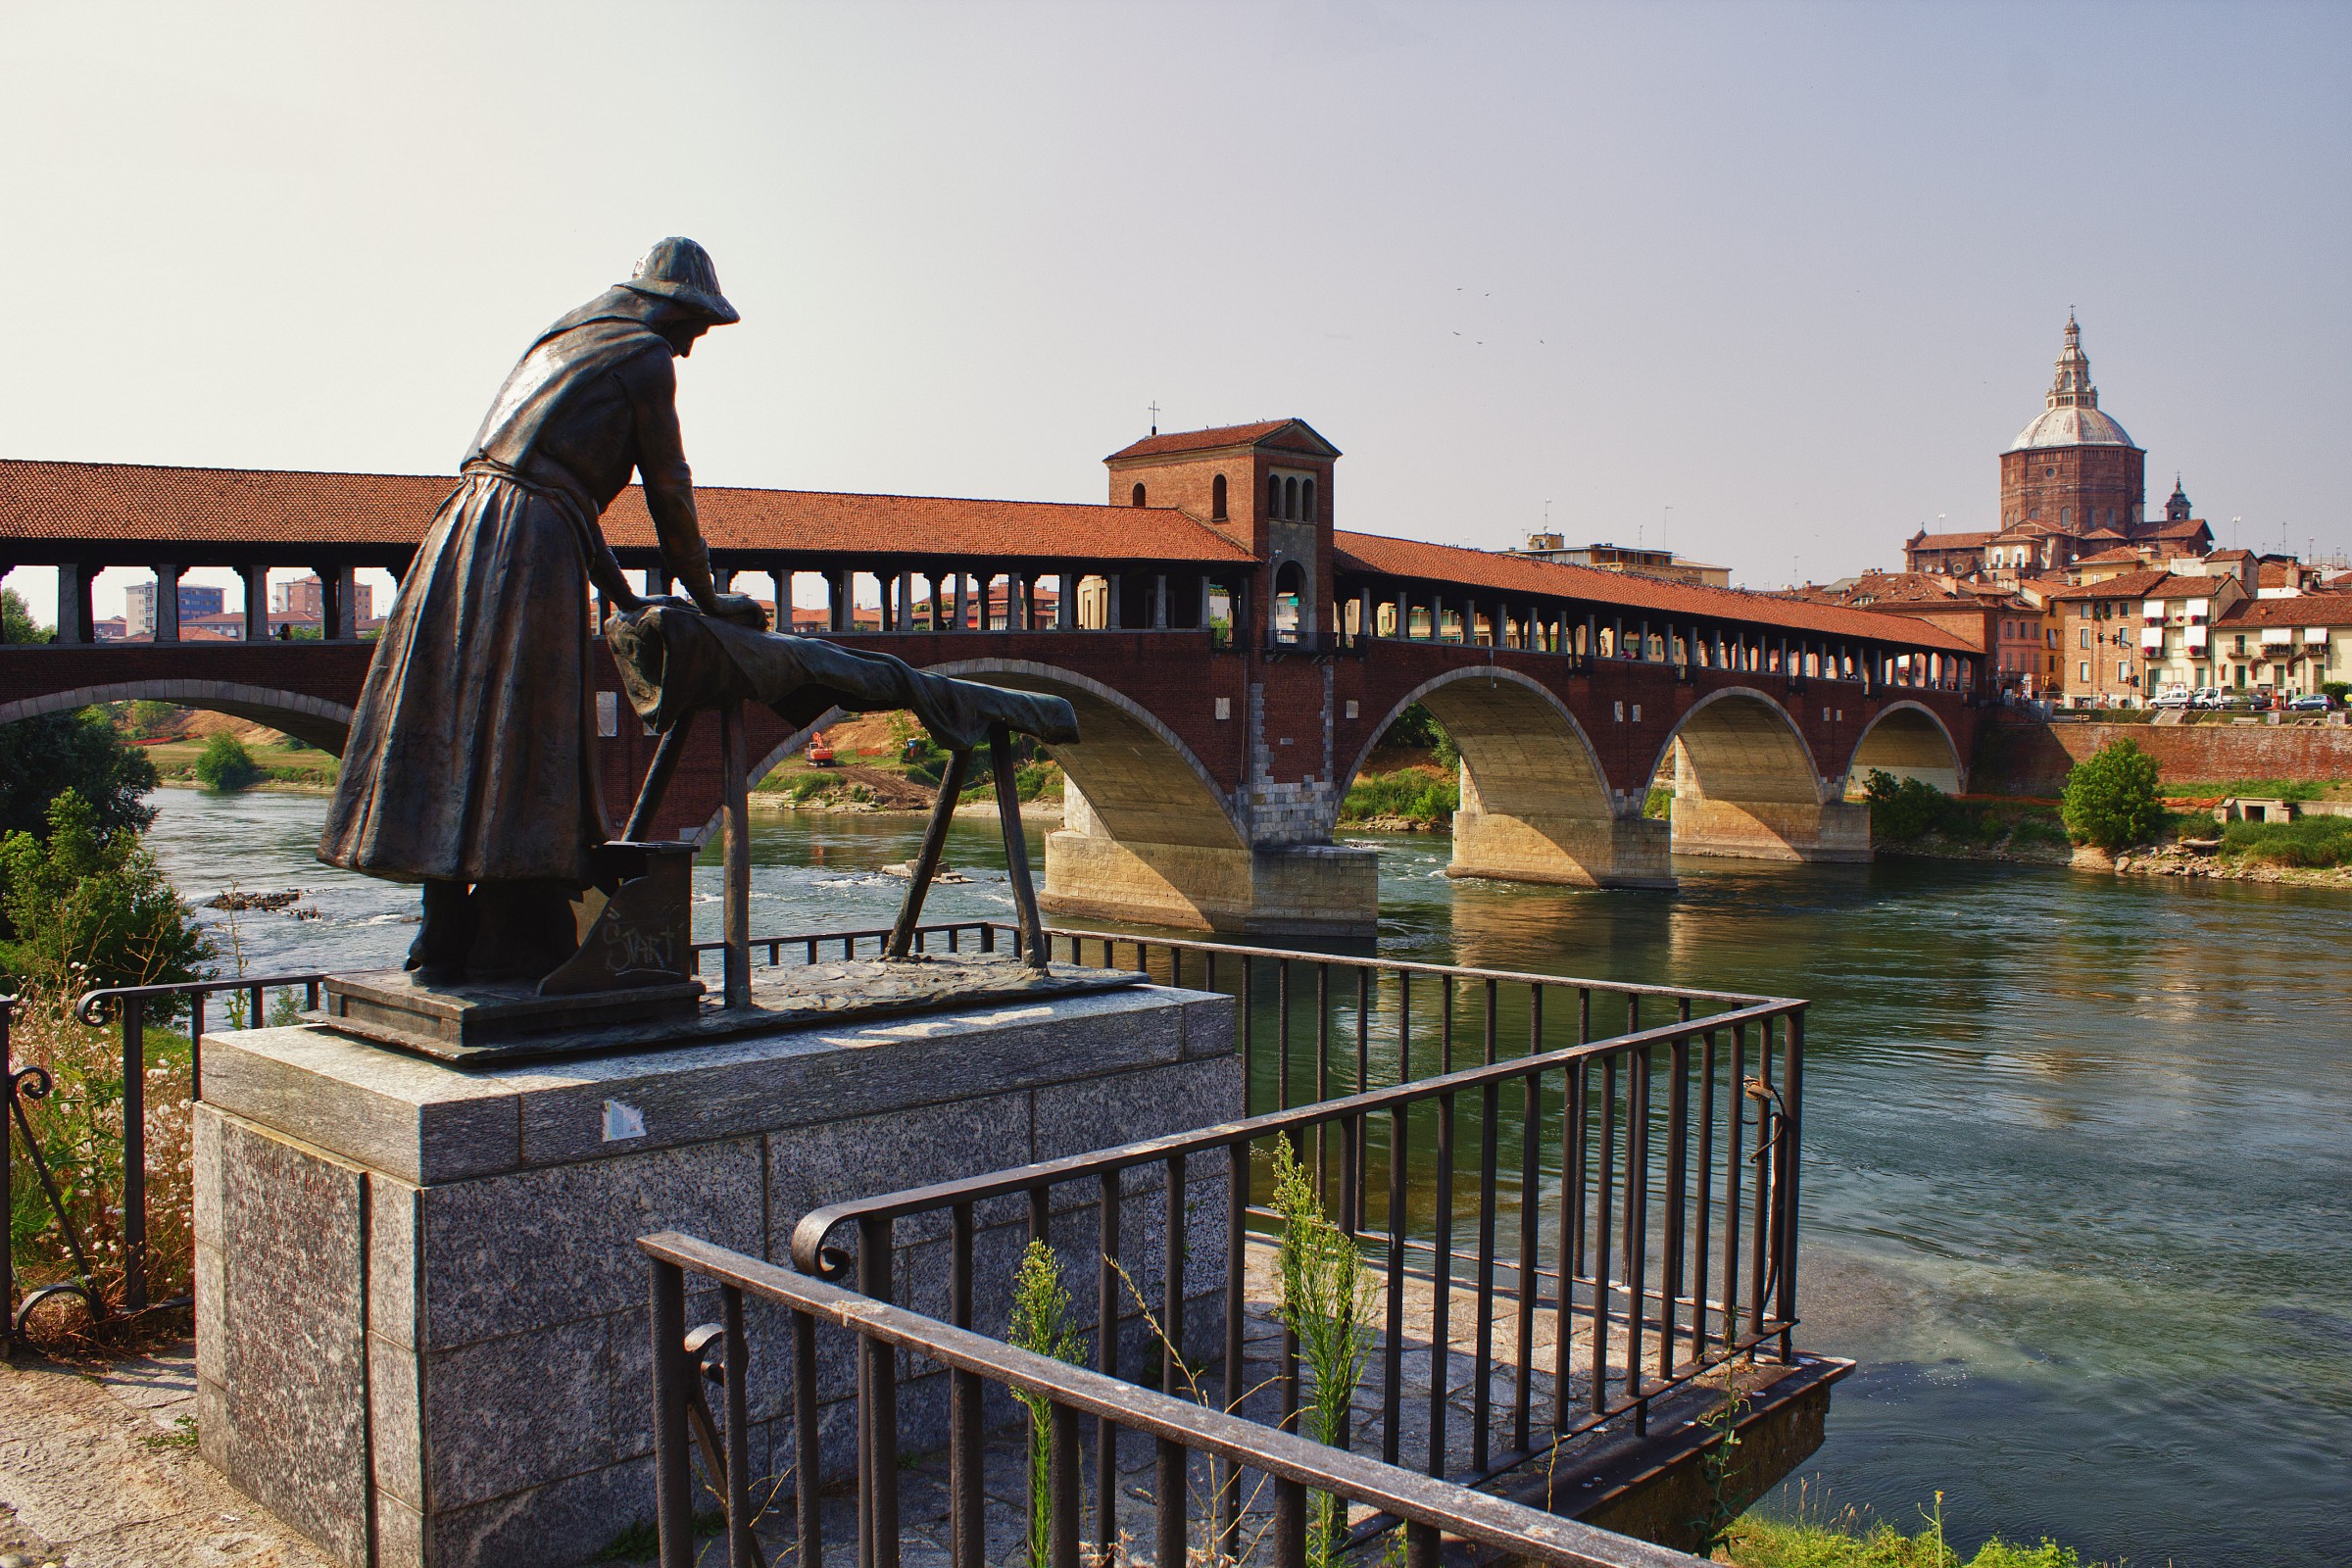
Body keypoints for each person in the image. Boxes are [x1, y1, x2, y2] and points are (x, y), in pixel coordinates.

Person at [319, 238, 764, 981]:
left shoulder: (560, 341)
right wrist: (705, 589)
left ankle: (446, 930)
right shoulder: (644, 357)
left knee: (456, 721)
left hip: (460, 531)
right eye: (697, 327)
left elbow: (542, 476)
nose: (690, 349)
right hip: (530, 547)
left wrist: (622, 595)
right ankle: (515, 935)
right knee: (528, 730)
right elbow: (669, 485)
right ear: (670, 306)